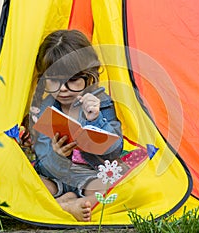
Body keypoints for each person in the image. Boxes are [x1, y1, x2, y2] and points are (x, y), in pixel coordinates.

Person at [30, 29, 126, 222]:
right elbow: (42, 162)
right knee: (30, 182)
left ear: (88, 76)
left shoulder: (100, 102)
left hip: (90, 176)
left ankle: (64, 204)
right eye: (55, 80)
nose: (63, 88)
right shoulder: (43, 110)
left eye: (72, 80)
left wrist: (96, 120)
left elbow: (115, 149)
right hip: (56, 178)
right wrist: (57, 155)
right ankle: (67, 202)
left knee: (111, 187)